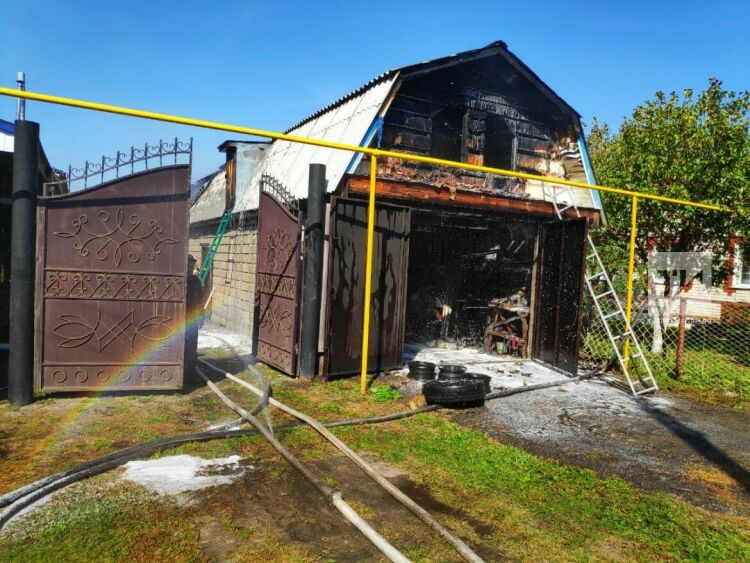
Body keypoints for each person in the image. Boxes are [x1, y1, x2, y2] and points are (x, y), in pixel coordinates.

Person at [184, 254, 204, 382]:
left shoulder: (195, 281)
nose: (190, 268)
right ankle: (181, 372)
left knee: (191, 346)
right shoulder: (178, 280)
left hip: (191, 319)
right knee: (182, 346)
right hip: (179, 319)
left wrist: (201, 315)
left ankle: (190, 373)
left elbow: (200, 300)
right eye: (188, 265)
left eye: (192, 265)